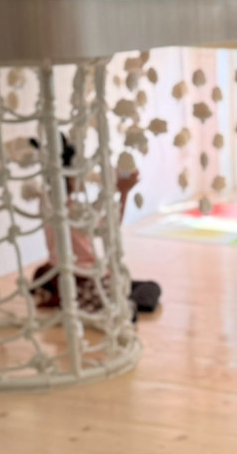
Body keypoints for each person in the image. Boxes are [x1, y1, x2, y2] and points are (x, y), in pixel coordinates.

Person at [29, 134, 161, 318]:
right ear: (70, 177)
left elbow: (99, 213)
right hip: (85, 277)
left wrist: (114, 189)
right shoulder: (74, 210)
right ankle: (113, 305)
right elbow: (111, 225)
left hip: (67, 274)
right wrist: (123, 192)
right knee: (149, 288)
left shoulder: (47, 203)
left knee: (137, 286)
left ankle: (81, 299)